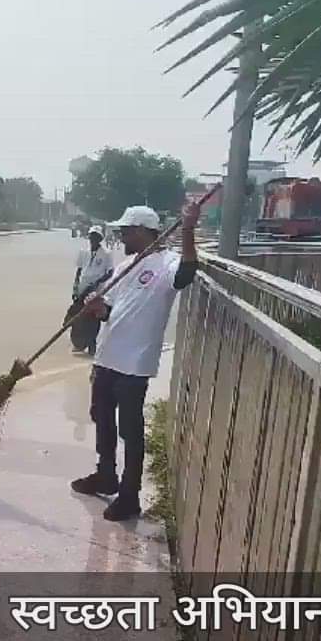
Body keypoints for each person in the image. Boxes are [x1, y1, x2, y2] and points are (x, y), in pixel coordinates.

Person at [70, 202, 200, 522]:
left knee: (130, 429)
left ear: (142, 231)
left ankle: (129, 495)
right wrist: (98, 308)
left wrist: (187, 229)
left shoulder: (167, 263)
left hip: (135, 363)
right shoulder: (126, 264)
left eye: (125, 231)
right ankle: (106, 474)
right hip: (107, 356)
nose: (121, 236)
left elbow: (186, 275)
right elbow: (113, 311)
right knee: (101, 418)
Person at [69, 225, 115, 355]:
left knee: (93, 319)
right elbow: (78, 271)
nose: (93, 239)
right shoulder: (83, 251)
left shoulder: (106, 253)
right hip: (82, 289)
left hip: (96, 291)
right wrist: (75, 287)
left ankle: (92, 345)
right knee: (78, 317)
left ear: (100, 238)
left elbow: (111, 271)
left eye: (96, 237)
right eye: (92, 236)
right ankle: (79, 343)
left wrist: (98, 282)